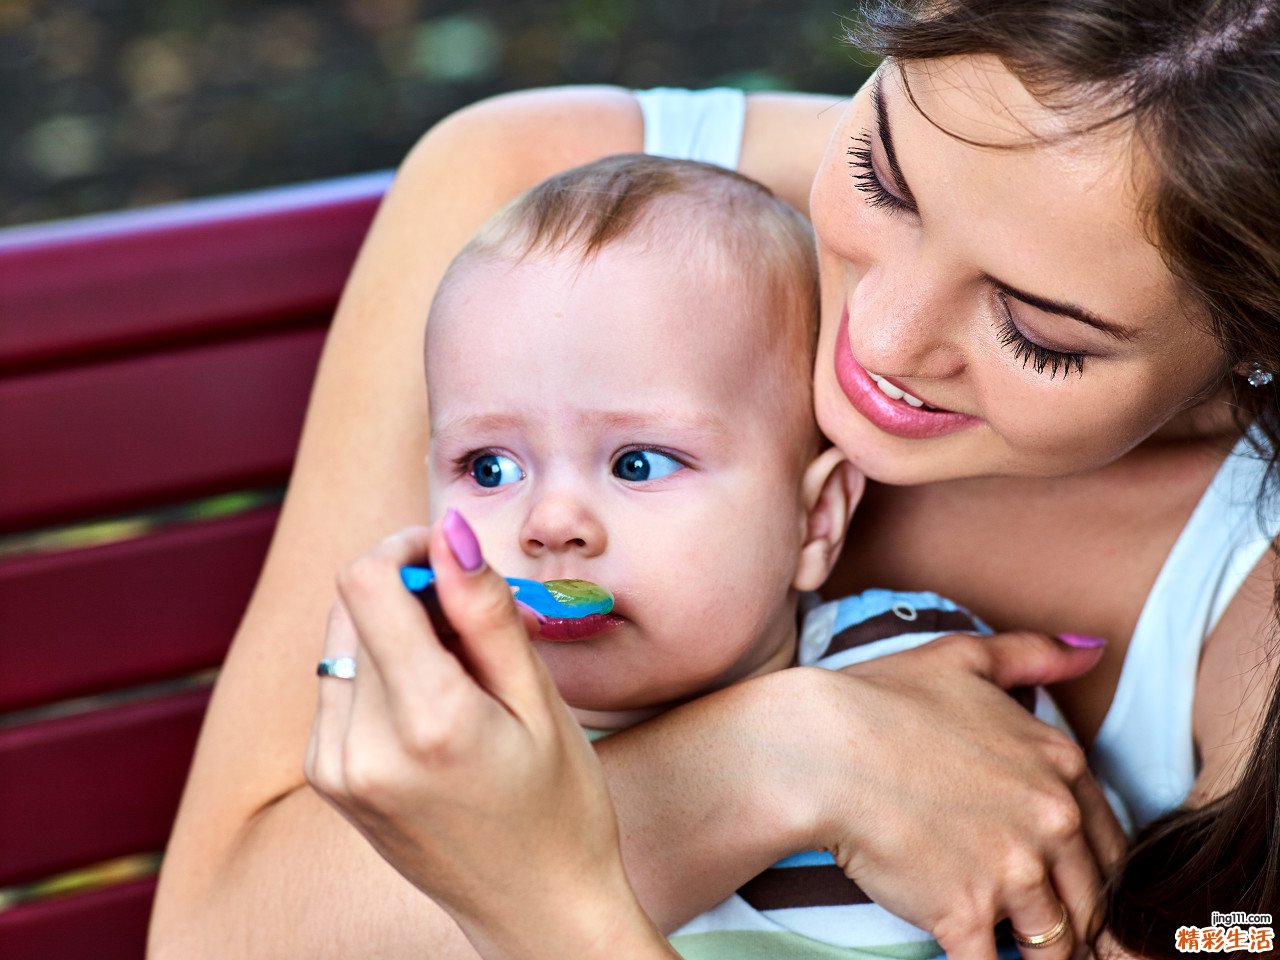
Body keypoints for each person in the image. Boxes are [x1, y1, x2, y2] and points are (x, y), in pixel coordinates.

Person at [148, 3, 1280, 960]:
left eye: (1037, 332)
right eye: (881, 177)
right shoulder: (532, 208)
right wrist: (778, 758)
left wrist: (563, 899)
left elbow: (1230, 938)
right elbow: (218, 937)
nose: (877, 338)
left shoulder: (1252, 612)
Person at [404, 151, 1099, 958]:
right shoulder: (434, 739)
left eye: (639, 463)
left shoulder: (919, 681)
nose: (549, 524)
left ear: (815, 522)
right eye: (489, 468)